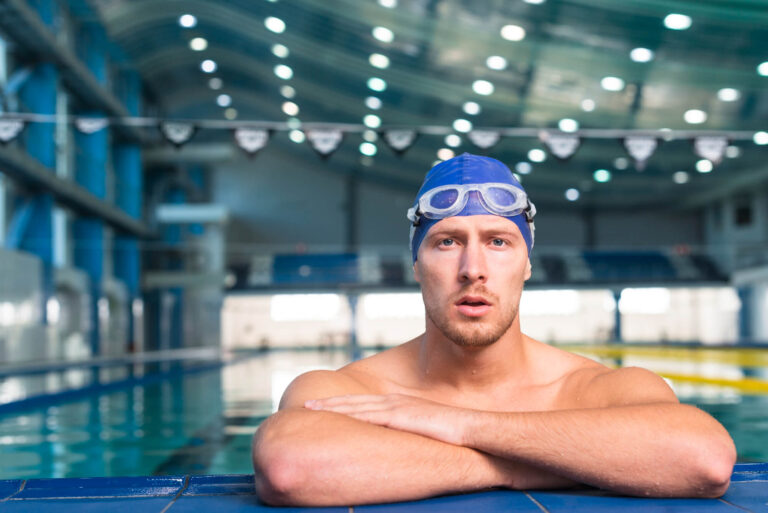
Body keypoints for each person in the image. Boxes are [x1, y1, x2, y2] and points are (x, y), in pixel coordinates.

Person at [252, 153, 736, 506]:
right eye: (446, 242)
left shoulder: (603, 388)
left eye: (498, 241)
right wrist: (542, 461)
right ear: (416, 265)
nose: (473, 268)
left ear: (527, 264)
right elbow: (290, 467)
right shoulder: (347, 389)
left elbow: (704, 460)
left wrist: (462, 425)